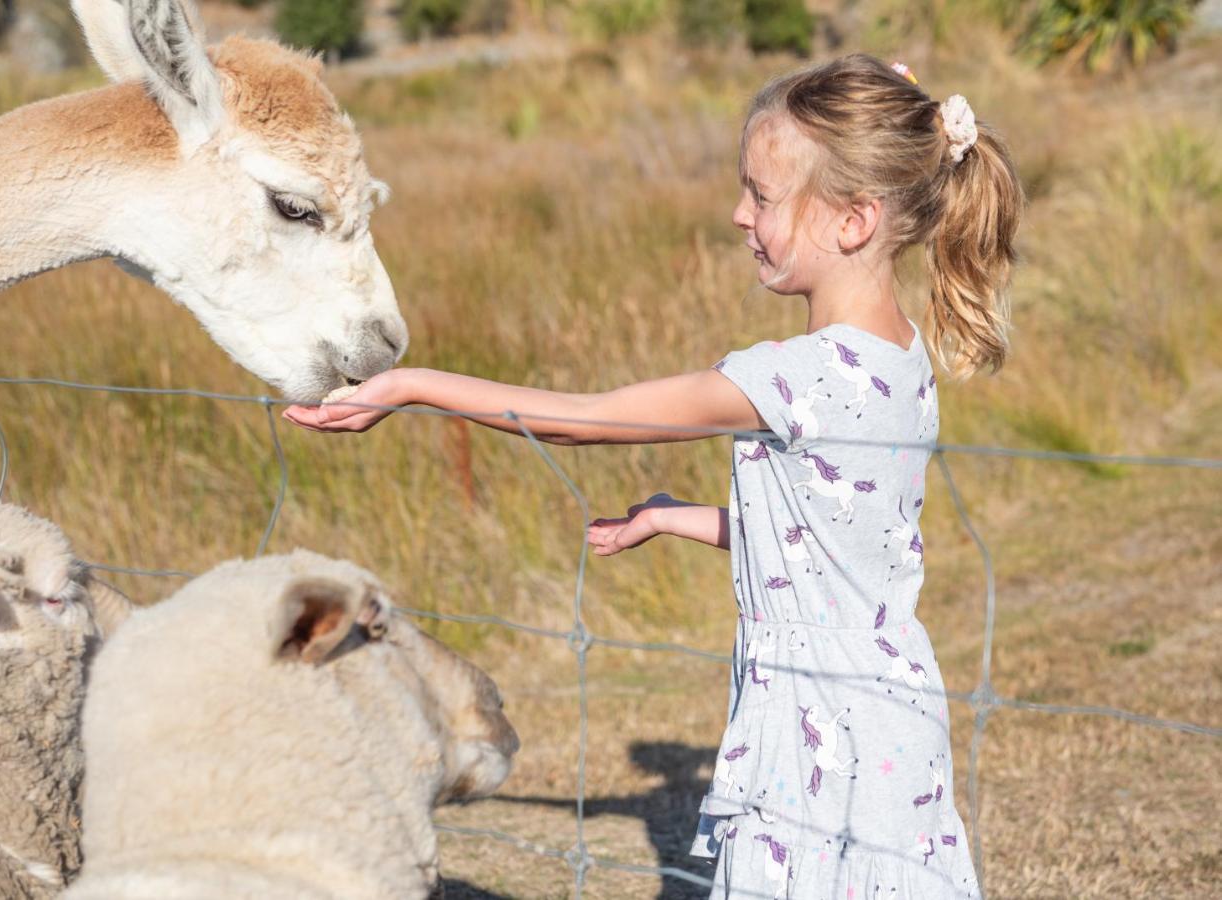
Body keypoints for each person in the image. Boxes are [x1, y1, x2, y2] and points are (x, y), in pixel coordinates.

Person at [284, 53, 1023, 899]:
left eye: (762, 196)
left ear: (854, 220)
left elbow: (590, 419)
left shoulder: (795, 376)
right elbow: (835, 541)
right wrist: (679, 517)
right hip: (894, 710)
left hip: (815, 725)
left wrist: (416, 385)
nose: (738, 213)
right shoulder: (899, 358)